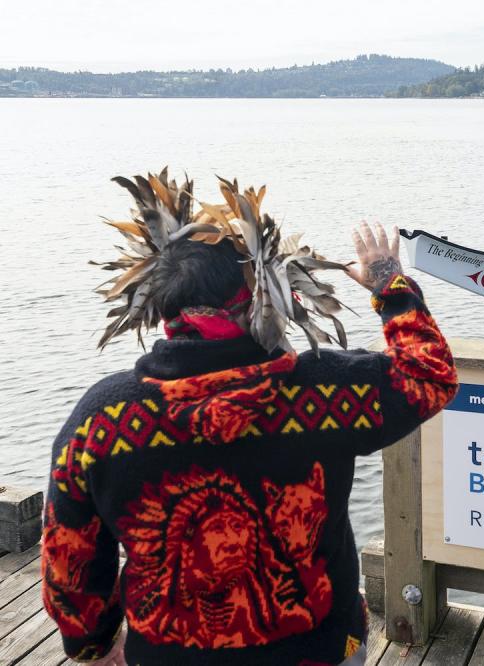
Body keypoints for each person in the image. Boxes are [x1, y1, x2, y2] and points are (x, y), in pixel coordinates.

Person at [41, 171, 458, 666]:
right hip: (318, 650)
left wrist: (94, 645)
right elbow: (429, 374)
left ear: (158, 305)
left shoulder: (102, 421)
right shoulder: (324, 392)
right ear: (263, 293)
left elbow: (70, 568)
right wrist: (389, 282)